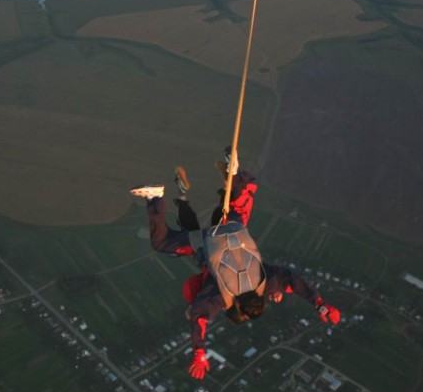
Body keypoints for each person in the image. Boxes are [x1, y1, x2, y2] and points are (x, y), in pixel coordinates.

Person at [130, 150, 340, 380]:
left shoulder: (265, 282)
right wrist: (199, 351)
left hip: (234, 229)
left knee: (240, 208)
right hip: (206, 240)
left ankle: (238, 176)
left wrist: (320, 304)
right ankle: (155, 198)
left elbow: (294, 281)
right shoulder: (222, 296)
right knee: (162, 243)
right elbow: (199, 318)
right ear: (235, 306)